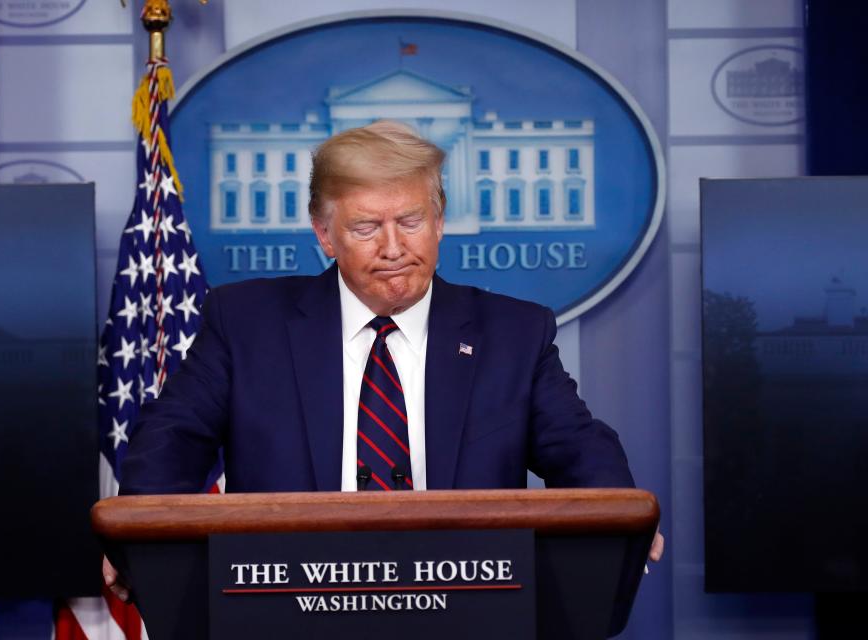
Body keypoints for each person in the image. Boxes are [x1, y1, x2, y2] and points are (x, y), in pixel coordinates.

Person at [106, 120, 663, 600]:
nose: (394, 247)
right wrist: (132, 535)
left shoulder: (513, 332)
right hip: (288, 606)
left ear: (440, 220)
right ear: (324, 234)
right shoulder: (247, 322)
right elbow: (172, 437)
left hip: (467, 606)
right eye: (366, 228)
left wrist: (623, 519)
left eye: (411, 221)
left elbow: (577, 444)